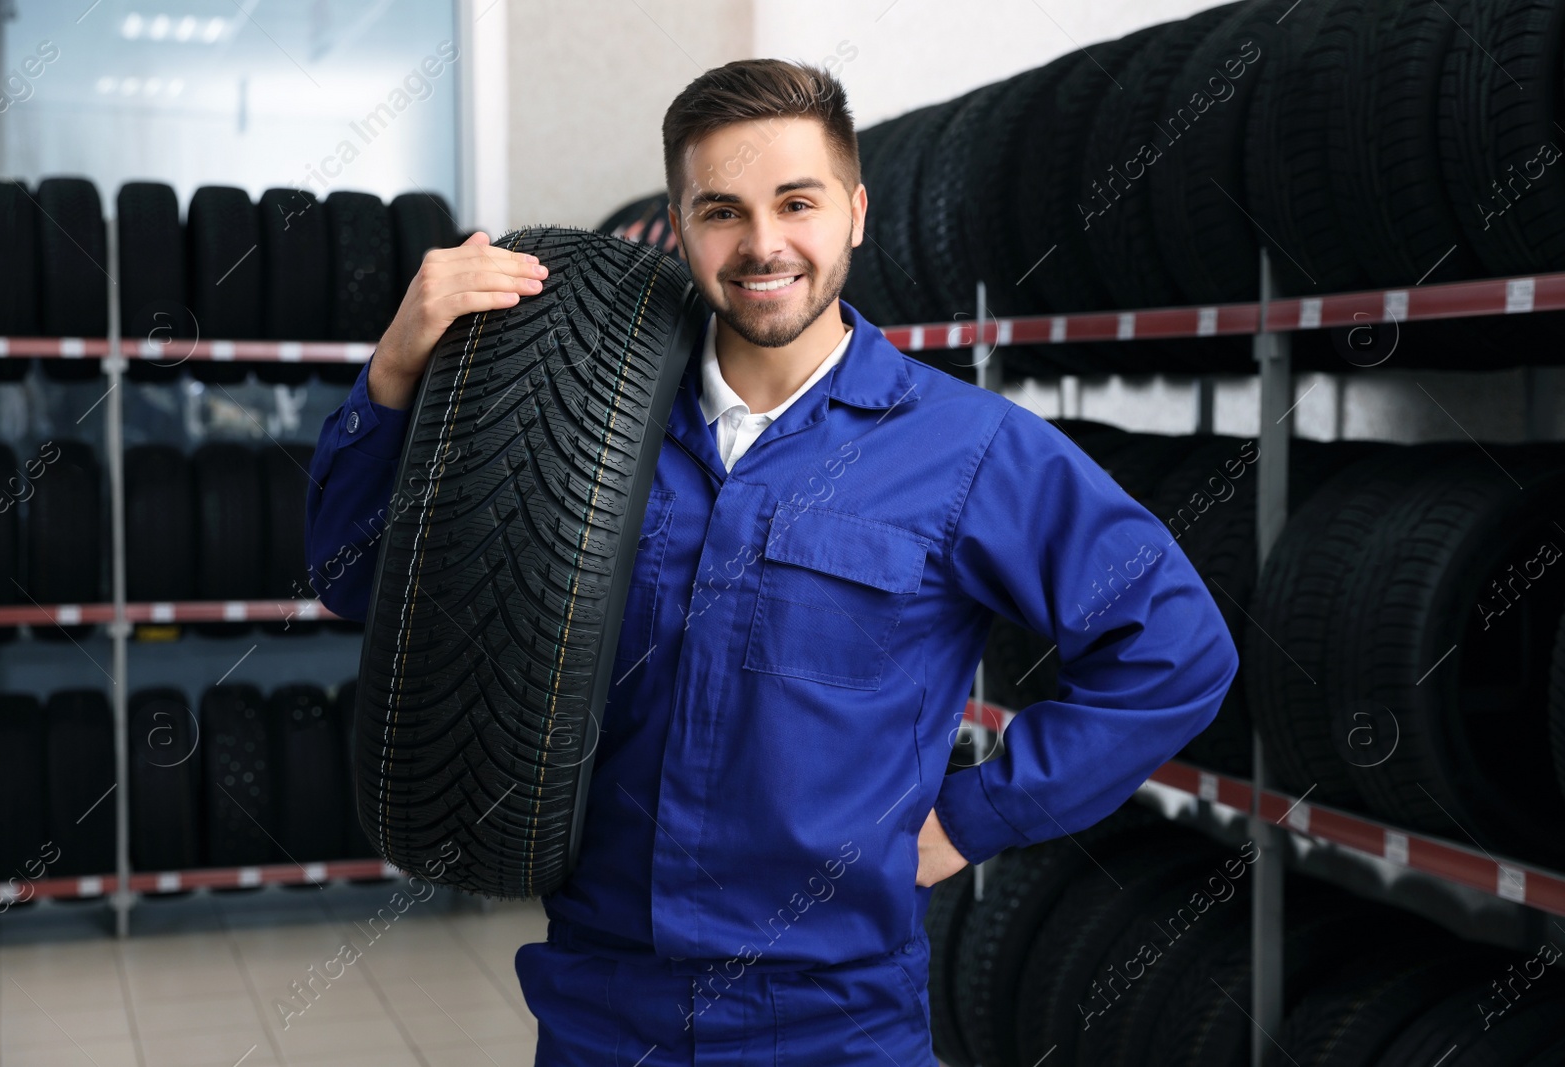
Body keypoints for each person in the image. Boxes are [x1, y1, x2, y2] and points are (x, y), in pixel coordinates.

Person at [305, 57, 1238, 1067]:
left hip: (838, 1019)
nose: (762, 244)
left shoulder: (967, 448)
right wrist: (398, 363)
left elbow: (1175, 647)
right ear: (677, 223)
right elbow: (361, 581)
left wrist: (976, 813)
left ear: (856, 212)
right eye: (721, 210)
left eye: (798, 202)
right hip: (601, 1003)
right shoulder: (582, 435)